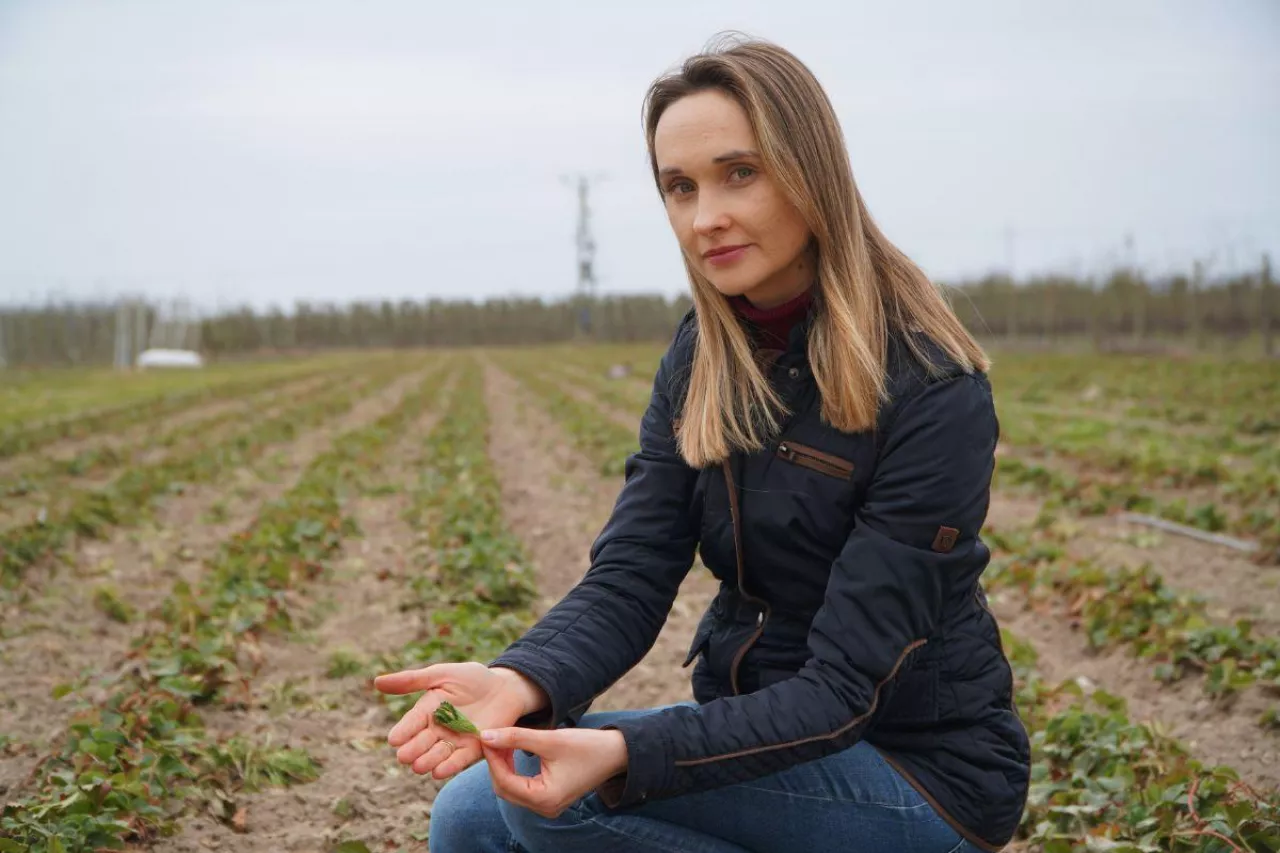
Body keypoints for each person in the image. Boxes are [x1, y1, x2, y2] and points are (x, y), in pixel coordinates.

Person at [375, 33, 1030, 853]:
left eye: (739, 174)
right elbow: (633, 572)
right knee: (469, 809)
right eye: (678, 187)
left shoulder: (932, 385)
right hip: (761, 734)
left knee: (565, 803)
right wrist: (520, 680)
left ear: (811, 171)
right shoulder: (702, 358)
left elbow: (840, 690)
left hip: (919, 774)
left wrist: (625, 753)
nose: (704, 216)